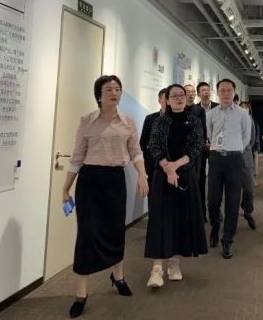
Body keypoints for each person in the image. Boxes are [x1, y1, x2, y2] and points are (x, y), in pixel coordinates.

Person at [62, 75, 149, 318]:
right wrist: (65, 188)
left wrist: (142, 174)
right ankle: (81, 293)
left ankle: (118, 276)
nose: (114, 93)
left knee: (115, 231)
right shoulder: (87, 121)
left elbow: (135, 150)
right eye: (109, 89)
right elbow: (77, 156)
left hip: (115, 181)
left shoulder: (128, 121)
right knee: (87, 234)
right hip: (90, 182)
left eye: (118, 89)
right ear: (99, 95)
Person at [145, 84, 208, 288]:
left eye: (182, 95)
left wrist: (176, 166)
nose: (179, 98)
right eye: (174, 96)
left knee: (179, 219)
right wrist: (168, 168)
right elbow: (154, 146)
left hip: (185, 175)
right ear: (167, 100)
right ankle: (156, 270)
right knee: (159, 219)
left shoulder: (195, 121)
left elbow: (196, 147)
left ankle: (174, 263)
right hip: (162, 176)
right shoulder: (160, 121)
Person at [206, 79, 251, 259]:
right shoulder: (210, 114)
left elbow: (246, 136)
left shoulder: (243, 113)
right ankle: (215, 226)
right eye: (222, 91)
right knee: (212, 200)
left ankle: (227, 240)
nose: (226, 94)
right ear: (217, 93)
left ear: (234, 92)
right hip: (216, 159)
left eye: (229, 90)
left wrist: (236, 149)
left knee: (233, 201)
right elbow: (209, 134)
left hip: (234, 159)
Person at [184, 84, 208, 221]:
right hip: (181, 154)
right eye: (188, 92)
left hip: (197, 154)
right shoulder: (178, 109)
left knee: (198, 183)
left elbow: (202, 131)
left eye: (193, 92)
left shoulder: (200, 110)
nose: (191, 94)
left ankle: (200, 214)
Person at [195, 81, 218, 221]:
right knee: (200, 181)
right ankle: (201, 213)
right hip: (200, 149)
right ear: (198, 93)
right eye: (203, 90)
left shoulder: (218, 107)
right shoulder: (195, 109)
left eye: (208, 90)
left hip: (216, 148)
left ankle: (215, 211)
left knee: (216, 181)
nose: (206, 92)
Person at [140, 88, 167, 203]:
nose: (167, 101)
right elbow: (143, 142)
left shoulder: (180, 119)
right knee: (153, 195)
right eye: (165, 98)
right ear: (159, 101)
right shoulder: (150, 118)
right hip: (153, 163)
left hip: (172, 164)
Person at [239, 101, 257, 230]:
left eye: (247, 108)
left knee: (249, 189)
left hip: (246, 158)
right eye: (242, 107)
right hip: (233, 159)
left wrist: (245, 149)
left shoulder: (251, 121)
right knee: (232, 191)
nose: (244, 109)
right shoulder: (233, 120)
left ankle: (248, 211)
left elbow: (252, 140)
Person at [253, 118, 261, 187]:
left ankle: (254, 179)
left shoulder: (254, 123)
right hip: (244, 147)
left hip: (254, 146)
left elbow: (257, 137)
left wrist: (257, 147)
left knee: (255, 164)